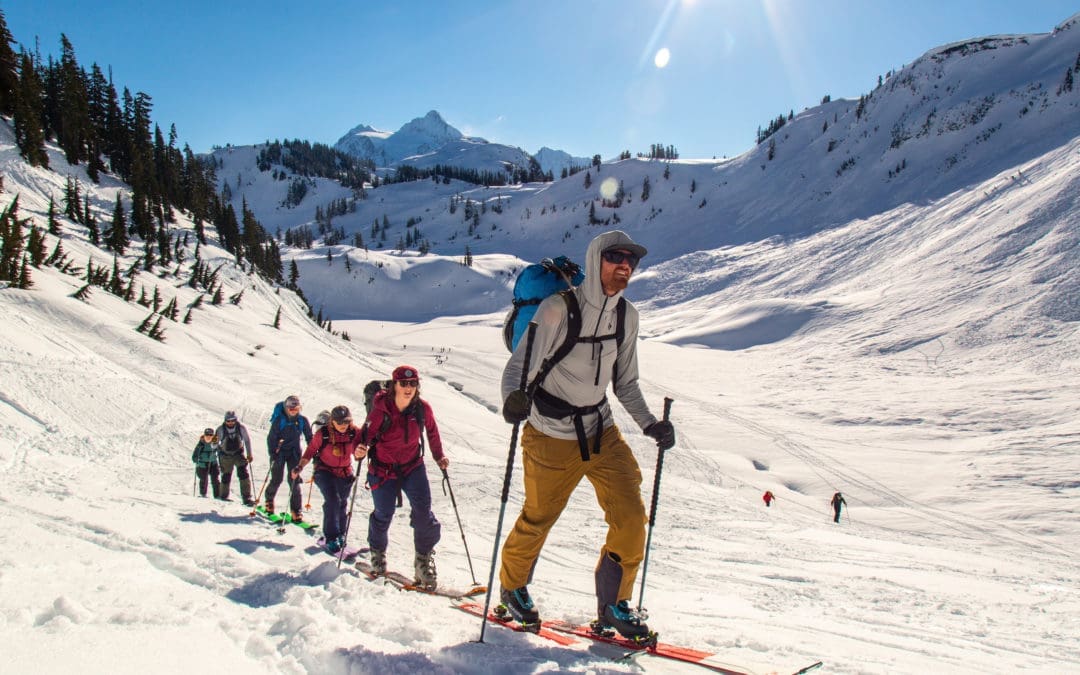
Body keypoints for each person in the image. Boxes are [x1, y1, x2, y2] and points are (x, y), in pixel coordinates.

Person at [499, 230, 675, 640]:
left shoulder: (627, 316)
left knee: (631, 513)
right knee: (539, 517)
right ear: (596, 258)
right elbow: (517, 370)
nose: (624, 266)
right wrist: (512, 399)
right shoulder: (557, 309)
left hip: (601, 431)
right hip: (550, 435)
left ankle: (614, 603)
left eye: (631, 260)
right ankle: (512, 587)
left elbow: (625, 384)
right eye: (615, 256)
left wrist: (650, 423)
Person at [361, 365, 450, 590]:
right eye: (404, 383)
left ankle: (422, 562)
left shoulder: (421, 409)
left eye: (413, 384)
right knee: (384, 514)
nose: (409, 388)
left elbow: (432, 431)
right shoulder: (381, 408)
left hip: (412, 467)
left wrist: (439, 456)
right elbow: (366, 433)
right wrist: (359, 448)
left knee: (423, 512)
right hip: (383, 469)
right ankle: (378, 555)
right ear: (395, 385)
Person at [292, 405, 366, 553]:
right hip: (324, 471)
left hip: (344, 473)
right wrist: (299, 467)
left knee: (342, 504)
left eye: (346, 422)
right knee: (333, 500)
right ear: (332, 421)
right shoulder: (323, 434)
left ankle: (341, 535)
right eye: (340, 422)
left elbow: (358, 453)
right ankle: (331, 537)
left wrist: (360, 453)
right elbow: (310, 451)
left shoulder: (354, 433)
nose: (343, 425)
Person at [265, 395, 312, 521]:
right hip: (279, 453)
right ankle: (269, 501)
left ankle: (296, 511)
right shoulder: (279, 420)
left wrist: (313, 452)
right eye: (291, 409)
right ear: (286, 408)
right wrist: (272, 453)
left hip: (294, 454)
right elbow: (271, 438)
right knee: (277, 479)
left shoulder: (302, 420)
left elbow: (310, 438)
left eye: (296, 409)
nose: (293, 411)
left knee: (294, 481)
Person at [215, 410, 255, 505]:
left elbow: (247, 441)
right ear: (225, 420)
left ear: (236, 420)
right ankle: (223, 497)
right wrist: (215, 451)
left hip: (238, 454)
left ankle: (246, 498)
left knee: (243, 474)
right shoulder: (220, 429)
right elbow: (215, 443)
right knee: (226, 476)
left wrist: (249, 454)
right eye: (228, 421)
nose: (230, 422)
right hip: (225, 456)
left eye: (233, 420)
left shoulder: (241, 428)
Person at [191, 428, 221, 498]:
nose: (209, 436)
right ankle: (203, 494)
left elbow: (220, 451)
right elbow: (195, 454)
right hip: (202, 464)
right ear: (204, 435)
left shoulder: (215, 442)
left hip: (213, 463)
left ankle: (217, 495)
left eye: (210, 435)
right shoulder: (201, 443)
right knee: (204, 479)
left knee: (215, 479)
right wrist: (195, 459)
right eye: (207, 434)